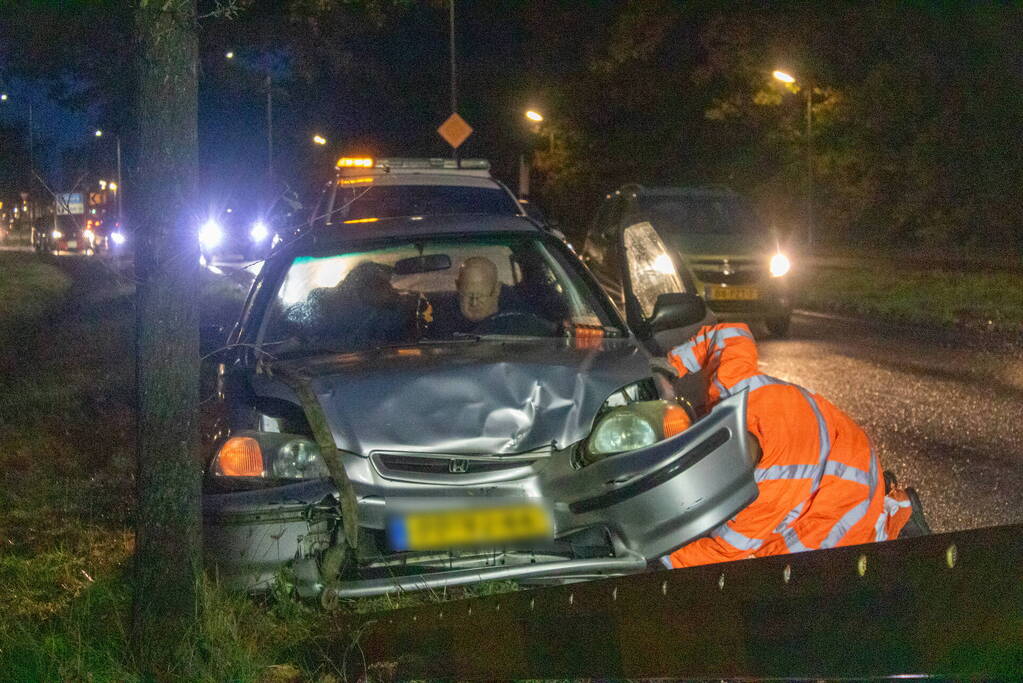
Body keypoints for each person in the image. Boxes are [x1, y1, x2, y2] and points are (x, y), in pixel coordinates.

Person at [660, 322, 922, 569]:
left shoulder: (764, 497)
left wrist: (654, 555)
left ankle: (898, 520)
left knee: (794, 564)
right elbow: (729, 334)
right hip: (842, 443)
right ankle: (889, 502)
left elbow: (722, 551)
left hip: (846, 491)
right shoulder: (737, 388)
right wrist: (669, 366)